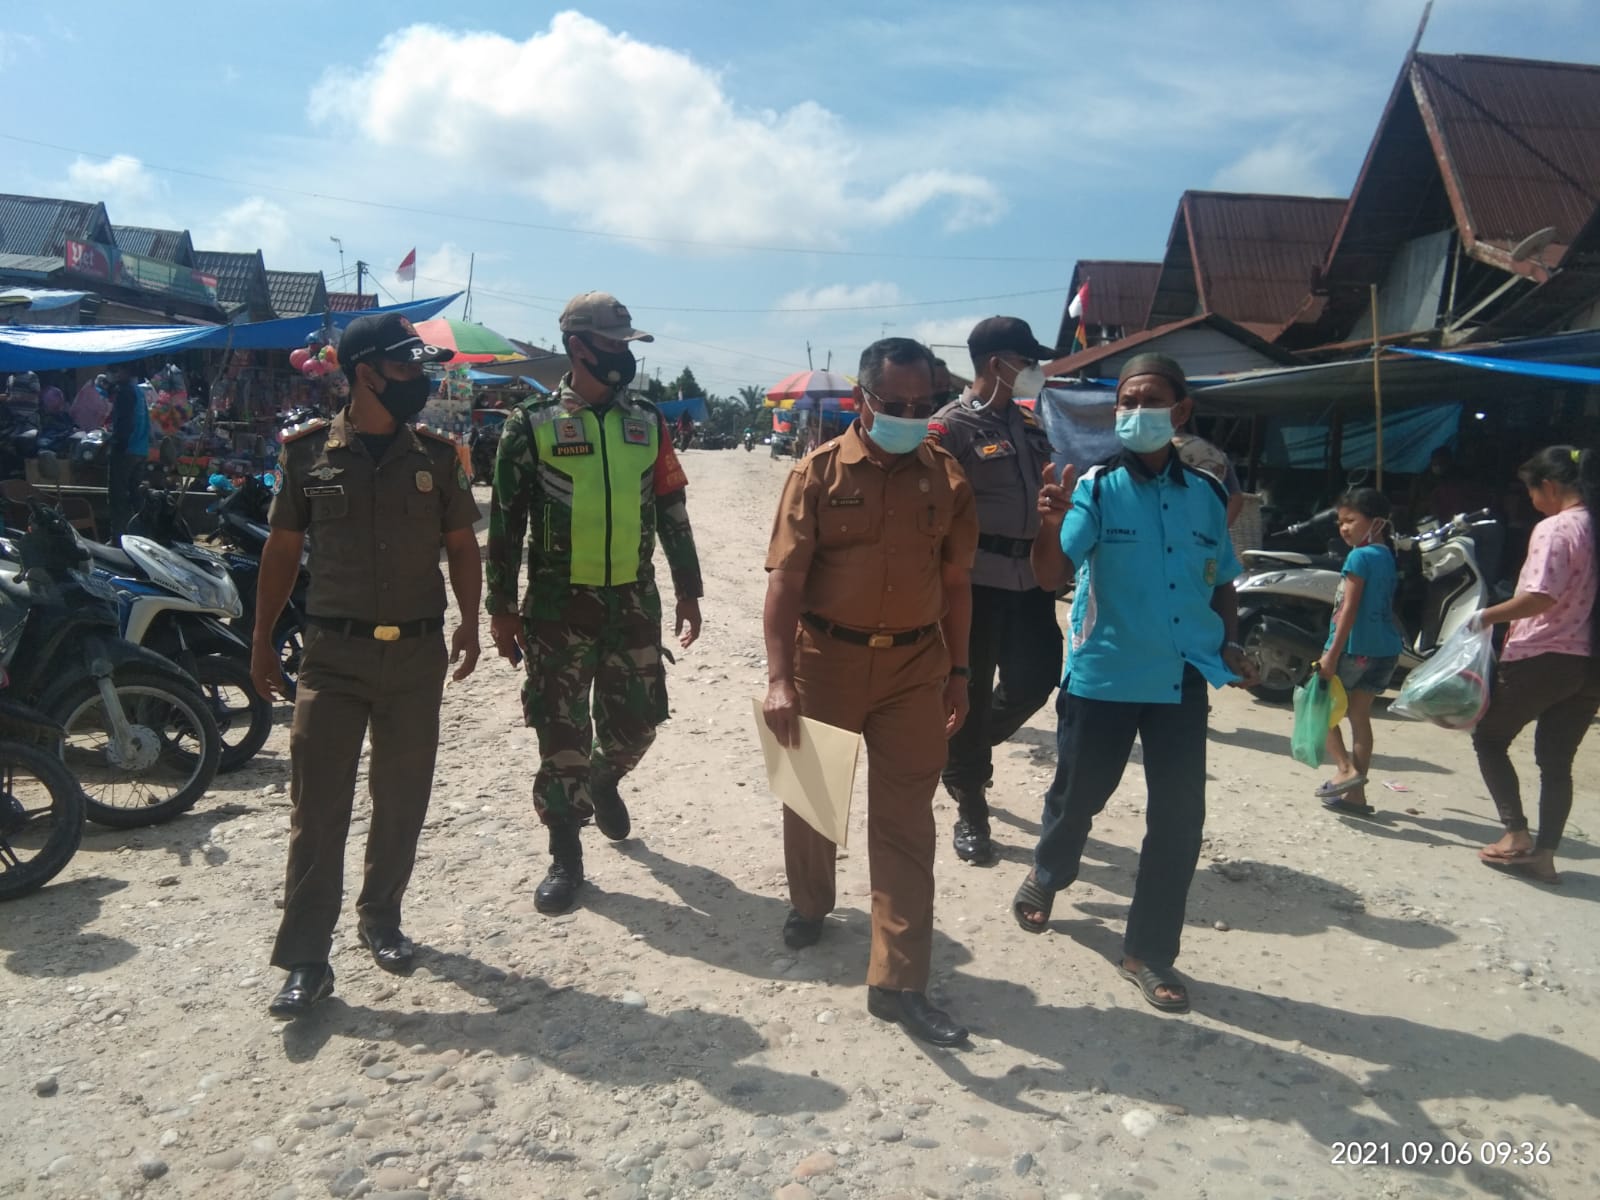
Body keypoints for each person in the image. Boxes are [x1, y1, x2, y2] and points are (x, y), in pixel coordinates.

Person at [252, 312, 482, 1018]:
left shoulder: (438, 457)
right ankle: (306, 960)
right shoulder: (307, 455)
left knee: (402, 799)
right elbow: (282, 550)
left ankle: (381, 916)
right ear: (365, 374)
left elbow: (462, 545)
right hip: (333, 657)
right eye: (405, 366)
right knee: (318, 810)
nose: (418, 379)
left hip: (414, 656)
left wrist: (471, 621)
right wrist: (260, 639)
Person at [1013, 352, 1257, 1015]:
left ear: (1181, 411)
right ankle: (1049, 872)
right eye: (1126, 401)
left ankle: (1149, 952)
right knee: (1079, 797)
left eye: (1150, 400)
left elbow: (1222, 577)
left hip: (1181, 677)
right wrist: (1047, 522)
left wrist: (1231, 642)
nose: (1135, 411)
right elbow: (1049, 575)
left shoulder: (1207, 493)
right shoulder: (1095, 488)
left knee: (1179, 820)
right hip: (1106, 674)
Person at [762, 336, 977, 1047]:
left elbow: (956, 585)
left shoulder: (947, 478)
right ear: (863, 399)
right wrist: (779, 679)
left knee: (906, 823)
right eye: (896, 403)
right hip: (825, 659)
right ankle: (810, 903)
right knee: (811, 799)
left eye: (924, 404)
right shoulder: (816, 474)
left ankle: (899, 981)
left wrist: (959, 671)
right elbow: (785, 583)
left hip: (915, 668)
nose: (912, 416)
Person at [486, 291, 704, 915]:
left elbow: (671, 508)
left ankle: (604, 778)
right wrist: (502, 608)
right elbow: (505, 524)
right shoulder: (531, 424)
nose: (621, 356)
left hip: (634, 602)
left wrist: (688, 589)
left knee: (638, 724)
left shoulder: (648, 421)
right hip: (558, 609)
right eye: (612, 344)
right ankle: (565, 852)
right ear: (579, 347)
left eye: (625, 345)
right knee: (561, 733)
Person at [926, 316, 1062, 864]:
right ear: (996, 363)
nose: (1035, 369)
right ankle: (971, 802)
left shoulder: (1030, 424)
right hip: (974, 581)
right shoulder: (950, 427)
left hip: (1031, 576)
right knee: (971, 689)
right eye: (1027, 360)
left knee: (1038, 678)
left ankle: (967, 748)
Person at [1471, 446, 1600, 886]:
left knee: (1490, 738)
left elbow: (1540, 596)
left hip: (1544, 655)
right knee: (1557, 762)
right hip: (1591, 664)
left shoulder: (1556, 528)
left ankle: (1515, 834)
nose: (1531, 501)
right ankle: (1545, 857)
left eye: (1531, 491)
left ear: (1549, 486)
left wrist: (1485, 616)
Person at [1314, 488, 1403, 816]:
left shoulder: (1358, 557)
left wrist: (1331, 653)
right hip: (1385, 649)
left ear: (1376, 522)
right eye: (1340, 522)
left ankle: (1344, 769)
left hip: (1354, 648)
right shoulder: (1386, 556)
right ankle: (1356, 797)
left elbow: (1348, 609)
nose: (1344, 528)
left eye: (1351, 520)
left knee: (1318, 708)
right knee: (1359, 716)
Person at [105, 365, 151, 540]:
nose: (115, 374)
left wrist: (116, 445)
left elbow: (124, 424)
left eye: (118, 370)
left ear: (126, 372)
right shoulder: (139, 392)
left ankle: (118, 539)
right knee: (136, 497)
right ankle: (142, 537)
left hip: (126, 451)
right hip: (140, 450)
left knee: (118, 498)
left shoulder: (125, 393)